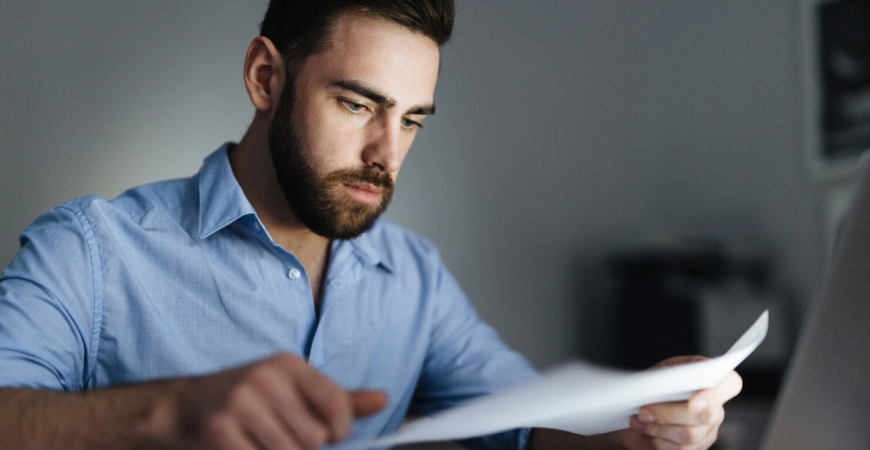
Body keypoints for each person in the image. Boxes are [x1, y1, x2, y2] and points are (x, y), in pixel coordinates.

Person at [0, 1, 742, 449]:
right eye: (357, 105)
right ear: (266, 78)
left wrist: (639, 423)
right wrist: (169, 413)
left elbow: (528, 430)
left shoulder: (413, 278)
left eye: (412, 119)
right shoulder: (92, 250)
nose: (387, 154)